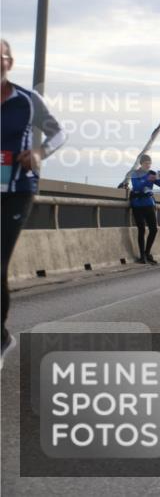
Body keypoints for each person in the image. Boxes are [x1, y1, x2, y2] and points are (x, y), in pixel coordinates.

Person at [1, 38, 66, 363]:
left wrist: (39, 152)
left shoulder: (27, 100)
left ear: (9, 62)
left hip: (17, 190)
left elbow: (58, 132)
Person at [129, 154, 160, 265]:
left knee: (154, 229)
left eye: (150, 163)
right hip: (137, 205)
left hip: (148, 204)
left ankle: (147, 253)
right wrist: (148, 179)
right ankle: (142, 256)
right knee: (141, 229)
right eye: (146, 163)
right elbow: (137, 187)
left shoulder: (151, 173)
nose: (148, 165)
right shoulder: (135, 173)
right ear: (141, 163)